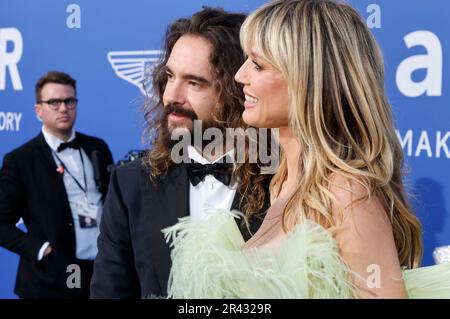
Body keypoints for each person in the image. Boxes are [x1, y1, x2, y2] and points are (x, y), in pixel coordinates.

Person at [164, 0, 450, 298]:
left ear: (307, 79)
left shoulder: (345, 194)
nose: (240, 75)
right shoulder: (282, 183)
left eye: (258, 64)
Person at [90, 7, 272, 299]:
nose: (171, 96)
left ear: (238, 91)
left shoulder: (285, 180)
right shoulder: (130, 185)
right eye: (169, 77)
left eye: (194, 83)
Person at [0, 71, 113, 298]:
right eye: (54, 102)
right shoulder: (20, 160)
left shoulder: (97, 147)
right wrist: (41, 250)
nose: (63, 108)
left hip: (98, 274)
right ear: (38, 110)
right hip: (48, 281)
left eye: (69, 101)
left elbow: (112, 203)